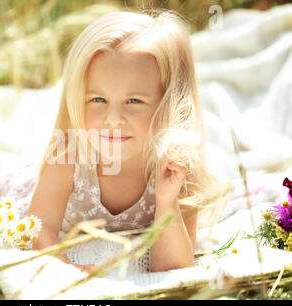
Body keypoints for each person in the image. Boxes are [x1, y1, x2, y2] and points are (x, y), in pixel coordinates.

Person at [20, 9, 224, 274]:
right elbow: (38, 228)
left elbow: (172, 267)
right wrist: (66, 270)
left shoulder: (177, 169)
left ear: (170, 102)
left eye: (134, 101)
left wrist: (166, 201)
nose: (113, 119)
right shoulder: (69, 156)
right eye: (98, 100)